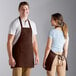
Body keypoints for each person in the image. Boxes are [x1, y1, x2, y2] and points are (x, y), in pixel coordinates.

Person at [7, 1, 39, 76]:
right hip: (18, 56)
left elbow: (34, 41)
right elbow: (9, 42)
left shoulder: (33, 24)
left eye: (26, 9)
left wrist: (37, 55)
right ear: (19, 10)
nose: (25, 11)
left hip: (28, 55)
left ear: (29, 10)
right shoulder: (15, 23)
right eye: (22, 9)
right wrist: (10, 57)